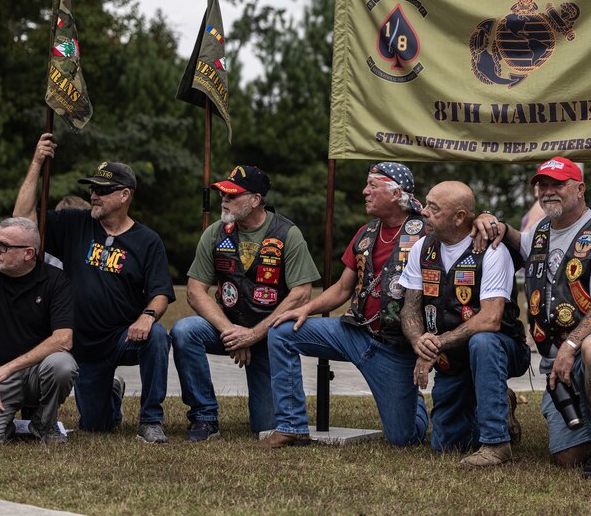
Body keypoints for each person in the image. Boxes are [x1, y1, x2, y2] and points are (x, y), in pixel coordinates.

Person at [474, 156, 591, 477]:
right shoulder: (541, 231)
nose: (549, 191)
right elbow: (517, 241)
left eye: (558, 185)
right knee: (570, 457)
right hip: (557, 360)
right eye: (543, 185)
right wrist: (489, 219)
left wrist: (571, 345)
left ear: (580, 189)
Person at [14, 134, 175, 443]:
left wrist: (148, 316)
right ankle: (111, 394)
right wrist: (36, 163)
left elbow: (160, 291)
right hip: (81, 345)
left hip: (122, 337)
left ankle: (151, 419)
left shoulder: (147, 240)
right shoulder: (76, 224)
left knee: (157, 335)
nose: (93, 196)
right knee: (96, 427)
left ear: (125, 195)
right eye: (91, 189)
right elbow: (22, 221)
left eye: (102, 190)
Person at [260, 162, 429, 448]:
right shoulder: (366, 233)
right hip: (353, 332)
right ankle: (291, 426)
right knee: (283, 331)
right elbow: (342, 288)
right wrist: (305, 309)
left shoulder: (426, 232)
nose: (365, 192)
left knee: (405, 438)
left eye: (372, 186)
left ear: (395, 193)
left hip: (394, 347)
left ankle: (416, 404)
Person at [171, 165, 320, 441]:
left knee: (266, 425)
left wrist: (252, 335)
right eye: (223, 195)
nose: (224, 200)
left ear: (255, 200)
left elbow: (301, 293)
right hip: (226, 327)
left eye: (232, 195)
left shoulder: (287, 233)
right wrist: (232, 333)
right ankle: (204, 416)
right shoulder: (215, 233)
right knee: (184, 331)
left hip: (269, 336)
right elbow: (195, 291)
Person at [400, 181, 530, 466]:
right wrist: (419, 343)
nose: (423, 212)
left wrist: (436, 344)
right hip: (450, 358)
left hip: (500, 348)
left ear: (459, 217)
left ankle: (496, 443)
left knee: (483, 342)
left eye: (433, 208)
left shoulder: (493, 251)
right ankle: (496, 400)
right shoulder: (421, 247)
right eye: (425, 204)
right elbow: (410, 308)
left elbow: (490, 319)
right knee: (447, 444)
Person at [0, 217, 78, 446]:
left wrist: (8, 369)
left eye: (4, 246)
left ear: (28, 254)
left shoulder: (55, 279)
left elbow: (63, 339)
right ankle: (6, 424)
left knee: (63, 364)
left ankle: (43, 422)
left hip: (37, 373)